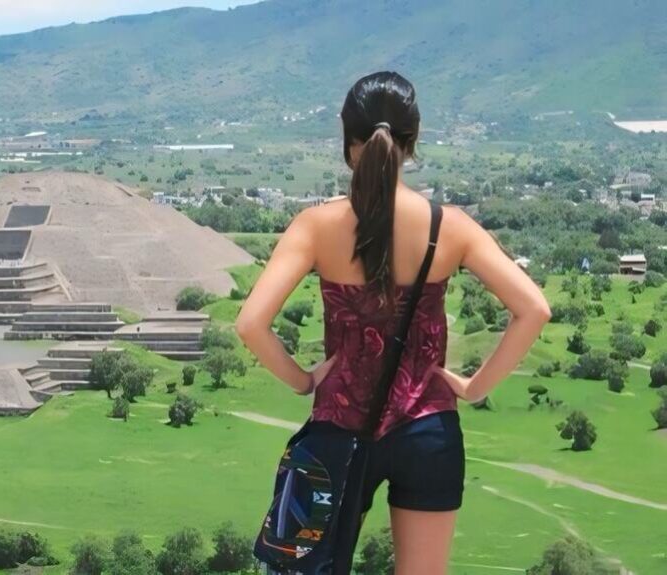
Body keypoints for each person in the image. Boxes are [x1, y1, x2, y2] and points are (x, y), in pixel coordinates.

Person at [236, 71, 551, 574]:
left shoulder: (315, 227)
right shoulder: (451, 227)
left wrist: (303, 380)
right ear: (413, 139)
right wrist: (473, 388)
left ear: (348, 138)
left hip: (337, 427)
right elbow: (534, 309)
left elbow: (251, 323)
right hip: (428, 429)